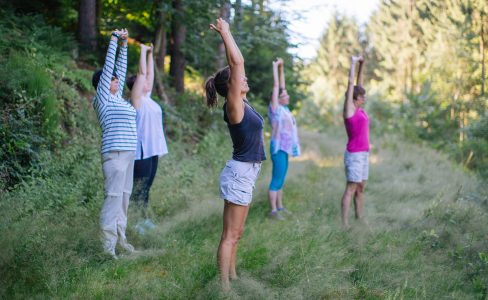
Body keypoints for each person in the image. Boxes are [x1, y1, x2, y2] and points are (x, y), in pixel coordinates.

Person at [204, 18, 266, 291]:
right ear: (232, 86)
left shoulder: (243, 102)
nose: (245, 78)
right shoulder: (234, 107)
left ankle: (233, 277)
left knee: (237, 233)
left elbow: (236, 67)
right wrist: (226, 34)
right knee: (230, 235)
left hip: (246, 172)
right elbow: (237, 64)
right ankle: (224, 287)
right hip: (240, 172)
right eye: (240, 79)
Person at [92, 29, 136, 257]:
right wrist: (113, 40)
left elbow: (120, 69)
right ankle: (107, 249)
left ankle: (121, 240)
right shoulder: (102, 99)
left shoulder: (117, 97)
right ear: (101, 84)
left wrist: (125, 45)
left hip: (128, 154)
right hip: (115, 155)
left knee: (124, 199)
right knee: (113, 200)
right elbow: (110, 67)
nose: (117, 79)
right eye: (112, 79)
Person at [126, 43, 168, 233]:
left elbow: (148, 74)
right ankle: (135, 223)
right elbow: (143, 74)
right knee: (139, 189)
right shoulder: (136, 101)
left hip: (153, 151)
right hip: (140, 152)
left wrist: (151, 54)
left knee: (147, 187)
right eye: (143, 82)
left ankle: (143, 220)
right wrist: (142, 51)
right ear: (137, 86)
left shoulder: (147, 98)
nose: (147, 83)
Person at [267, 58, 301, 220]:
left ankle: (279, 207)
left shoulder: (284, 108)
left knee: (281, 178)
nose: (287, 96)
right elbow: (276, 87)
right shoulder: (275, 109)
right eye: (284, 95)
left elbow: (281, 86)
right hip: (277, 147)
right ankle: (273, 211)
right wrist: (274, 67)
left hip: (285, 148)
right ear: (278, 99)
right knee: (276, 179)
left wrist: (282, 68)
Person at [340, 55, 368, 228]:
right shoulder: (349, 110)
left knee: (360, 189)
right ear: (355, 99)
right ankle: (344, 224)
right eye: (362, 97)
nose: (364, 99)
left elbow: (359, 84)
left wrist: (361, 65)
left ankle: (359, 218)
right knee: (351, 188)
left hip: (364, 154)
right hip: (354, 155)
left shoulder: (359, 109)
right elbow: (352, 85)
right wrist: (352, 62)